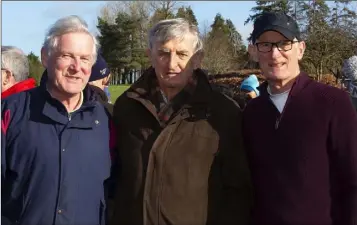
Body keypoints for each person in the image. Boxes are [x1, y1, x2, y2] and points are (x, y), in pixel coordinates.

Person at [110, 18, 252, 225]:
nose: (171, 63)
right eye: (163, 53)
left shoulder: (222, 112)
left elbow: (237, 190)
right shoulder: (127, 106)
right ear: (150, 56)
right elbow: (116, 176)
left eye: (182, 54)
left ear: (197, 59)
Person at [243, 12, 357, 224]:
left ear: (301, 49)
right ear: (255, 52)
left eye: (284, 43)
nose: (275, 54)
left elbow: (352, 181)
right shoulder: (252, 112)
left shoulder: (333, 103)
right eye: (265, 45)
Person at [1, 15, 112, 225]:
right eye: (67, 56)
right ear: (45, 57)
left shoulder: (106, 120)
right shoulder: (10, 111)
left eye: (85, 58)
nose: (77, 66)